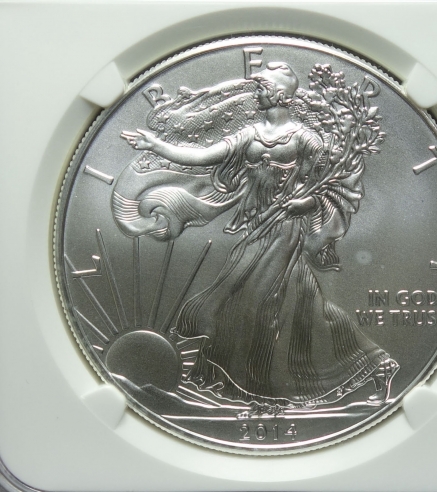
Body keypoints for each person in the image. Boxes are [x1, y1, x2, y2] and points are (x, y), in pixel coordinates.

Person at [122, 62, 398, 412]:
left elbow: (335, 184)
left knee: (257, 299)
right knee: (296, 304)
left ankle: (268, 391)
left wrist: (307, 202)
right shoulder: (249, 135)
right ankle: (368, 366)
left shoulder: (305, 139)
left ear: (281, 94)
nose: (258, 93)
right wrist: (157, 145)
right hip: (257, 225)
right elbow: (203, 157)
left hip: (286, 227)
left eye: (264, 88)